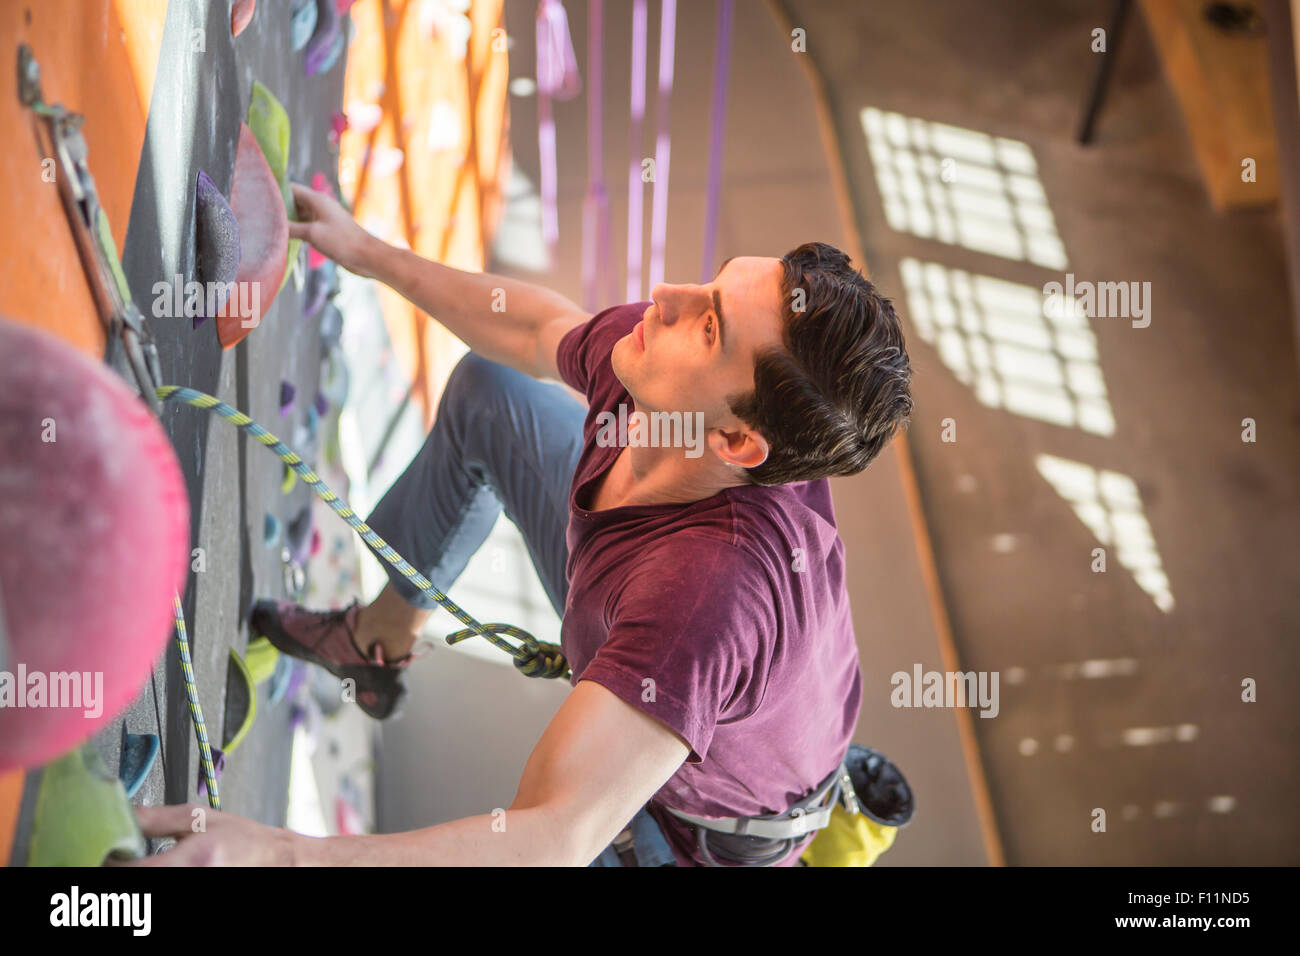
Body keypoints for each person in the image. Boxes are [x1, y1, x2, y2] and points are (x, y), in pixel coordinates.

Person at [131, 183, 913, 866]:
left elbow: (549, 839)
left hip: (687, 839)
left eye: (707, 324)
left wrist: (278, 855)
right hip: (697, 659)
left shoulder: (704, 599)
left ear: (737, 443)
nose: (667, 294)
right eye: (711, 283)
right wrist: (368, 252)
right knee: (492, 390)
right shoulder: (672, 378)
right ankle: (379, 643)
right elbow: (535, 332)